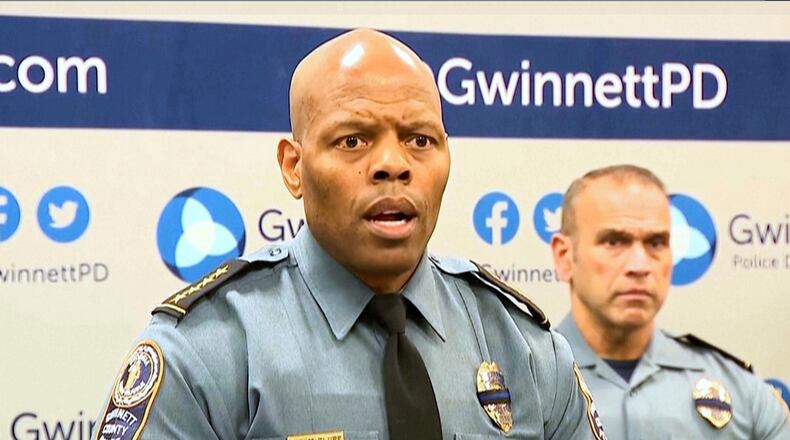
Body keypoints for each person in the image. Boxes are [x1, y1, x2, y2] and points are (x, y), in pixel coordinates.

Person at [92, 29, 606, 440]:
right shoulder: (205, 352)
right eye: (353, 140)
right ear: (294, 167)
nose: (392, 165)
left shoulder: (526, 347)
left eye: (420, 140)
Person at [551, 165, 790, 439]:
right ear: (564, 257)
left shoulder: (744, 395)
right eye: (615, 241)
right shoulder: (526, 386)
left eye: (656, 243)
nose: (639, 266)